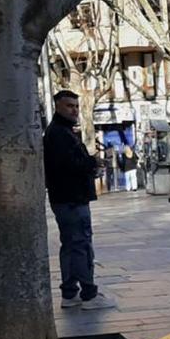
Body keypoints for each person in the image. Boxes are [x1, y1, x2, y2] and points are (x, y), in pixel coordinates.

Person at [44, 90, 116, 310]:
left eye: (76, 106)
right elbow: (69, 165)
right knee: (80, 245)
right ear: (57, 106)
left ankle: (70, 292)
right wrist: (92, 163)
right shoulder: (59, 134)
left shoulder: (62, 132)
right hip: (72, 199)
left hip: (67, 196)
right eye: (69, 106)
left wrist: (90, 166)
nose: (74, 110)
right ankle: (89, 294)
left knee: (70, 245)